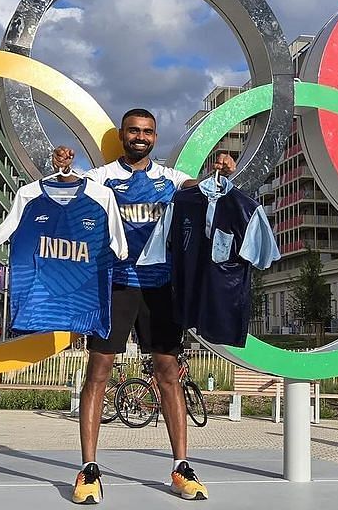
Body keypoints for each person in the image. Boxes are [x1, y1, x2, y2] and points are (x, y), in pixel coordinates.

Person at [56, 108, 235, 504]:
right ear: (122, 134)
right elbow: (67, 193)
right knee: (98, 372)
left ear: (155, 137)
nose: (140, 136)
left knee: (168, 373)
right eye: (134, 130)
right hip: (114, 287)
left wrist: (220, 173)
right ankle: (88, 469)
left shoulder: (169, 180)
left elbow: (202, 187)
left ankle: (181, 466)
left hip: (159, 289)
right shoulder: (101, 178)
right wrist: (64, 167)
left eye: (148, 132)